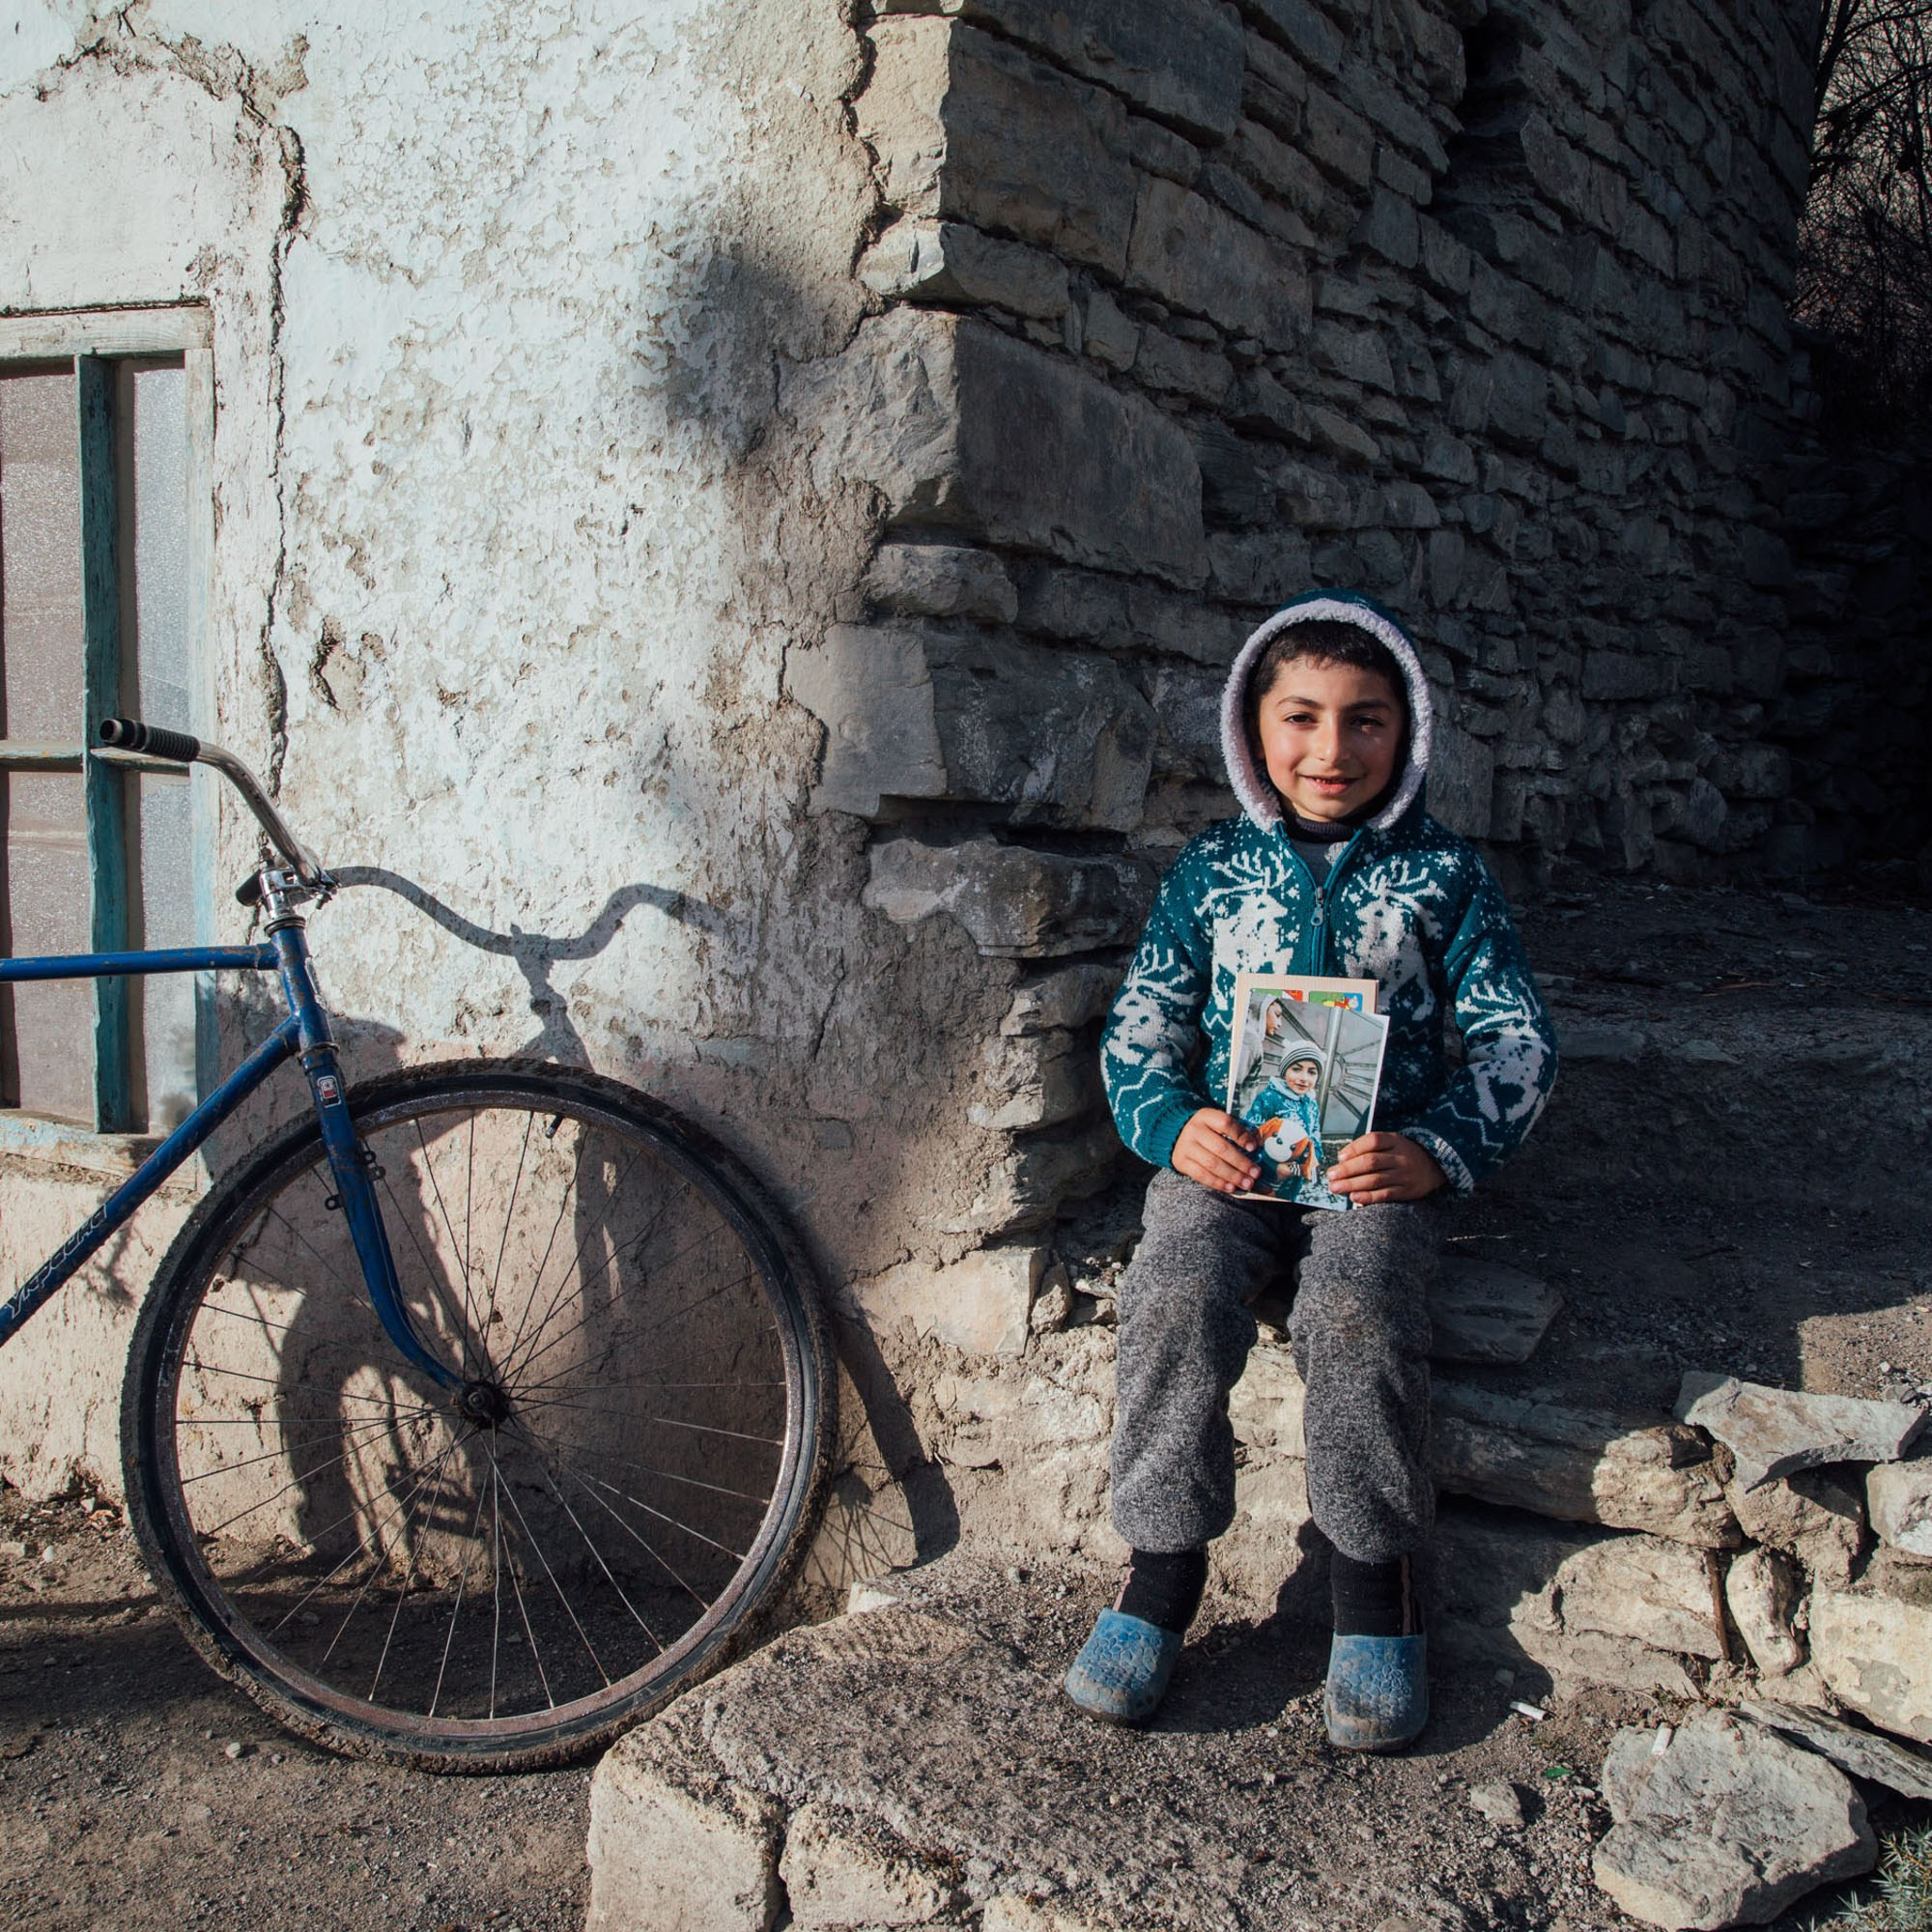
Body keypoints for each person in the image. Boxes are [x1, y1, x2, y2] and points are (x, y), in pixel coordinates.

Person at [1063, 590, 1558, 1750]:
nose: (1329, 750)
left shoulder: (1445, 877)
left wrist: (1433, 1151)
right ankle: (1161, 1569)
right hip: (1227, 1163)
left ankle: (1370, 1587)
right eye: (1300, 717)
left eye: (1365, 720)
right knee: (1174, 1284)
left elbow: (1515, 1041)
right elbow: (1140, 1029)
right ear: (1252, 724)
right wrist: (1170, 1123)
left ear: (1409, 729)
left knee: (1353, 1307)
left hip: (1372, 1175)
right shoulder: (1208, 872)